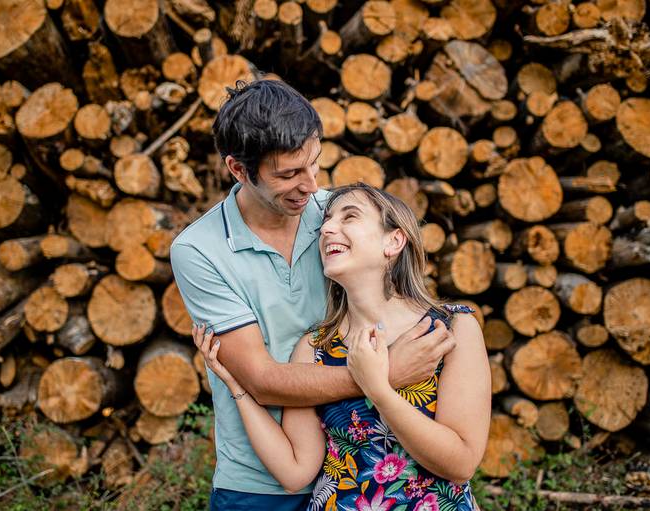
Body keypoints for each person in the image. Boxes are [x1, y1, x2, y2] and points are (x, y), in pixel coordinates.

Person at [170, 79, 459, 511]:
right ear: (238, 169)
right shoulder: (199, 251)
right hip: (264, 479)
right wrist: (384, 377)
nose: (309, 187)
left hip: (361, 469)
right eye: (287, 174)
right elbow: (262, 380)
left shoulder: (336, 220)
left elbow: (397, 301)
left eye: (314, 164)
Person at [193, 183, 491, 511]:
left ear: (393, 241)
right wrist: (238, 383)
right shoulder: (315, 348)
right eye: (328, 221)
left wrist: (379, 391)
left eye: (349, 217)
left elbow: (461, 463)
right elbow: (295, 471)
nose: (327, 229)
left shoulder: (452, 330)